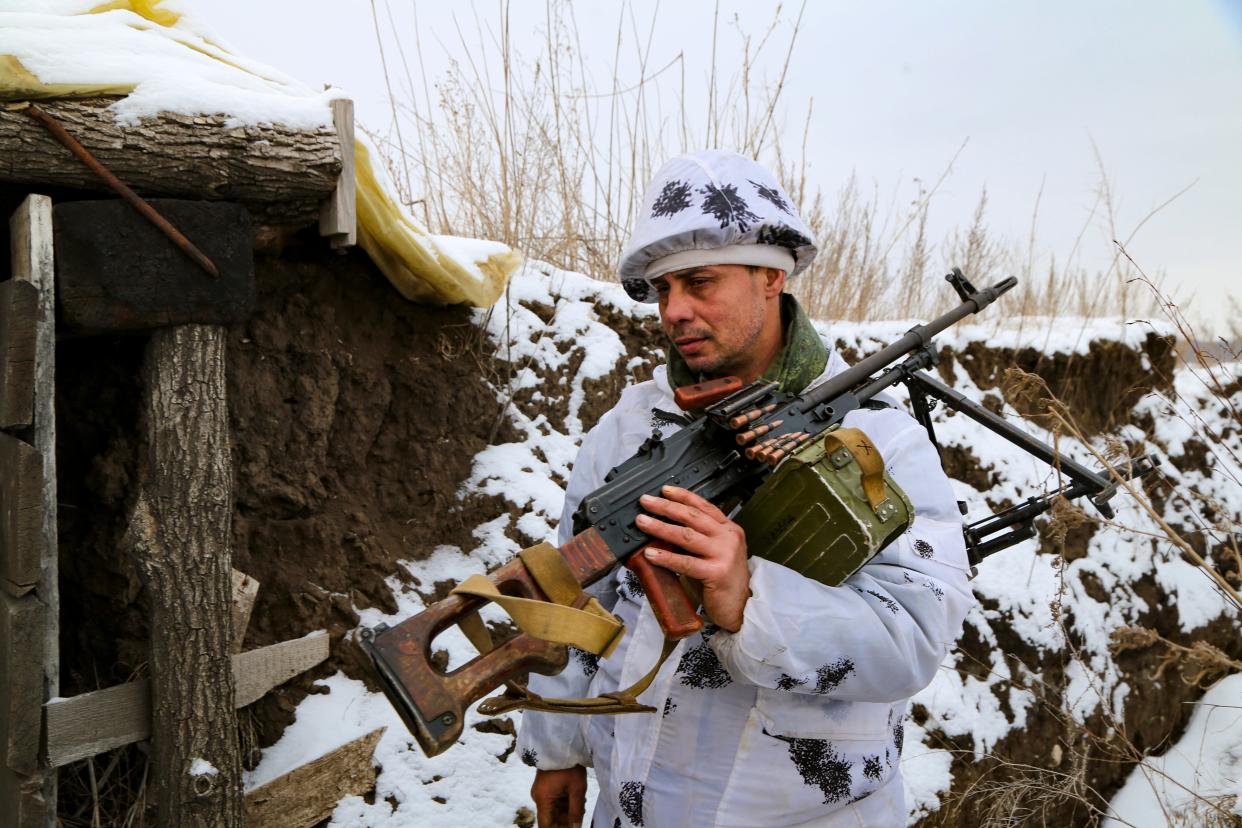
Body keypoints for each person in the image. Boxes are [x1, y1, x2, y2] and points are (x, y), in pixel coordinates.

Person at [516, 150, 974, 828]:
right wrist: (557, 748)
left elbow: (914, 636)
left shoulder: (877, 440)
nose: (675, 310)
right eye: (662, 290)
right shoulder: (628, 427)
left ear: (770, 276)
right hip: (629, 802)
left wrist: (748, 597)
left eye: (699, 283)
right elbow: (581, 603)